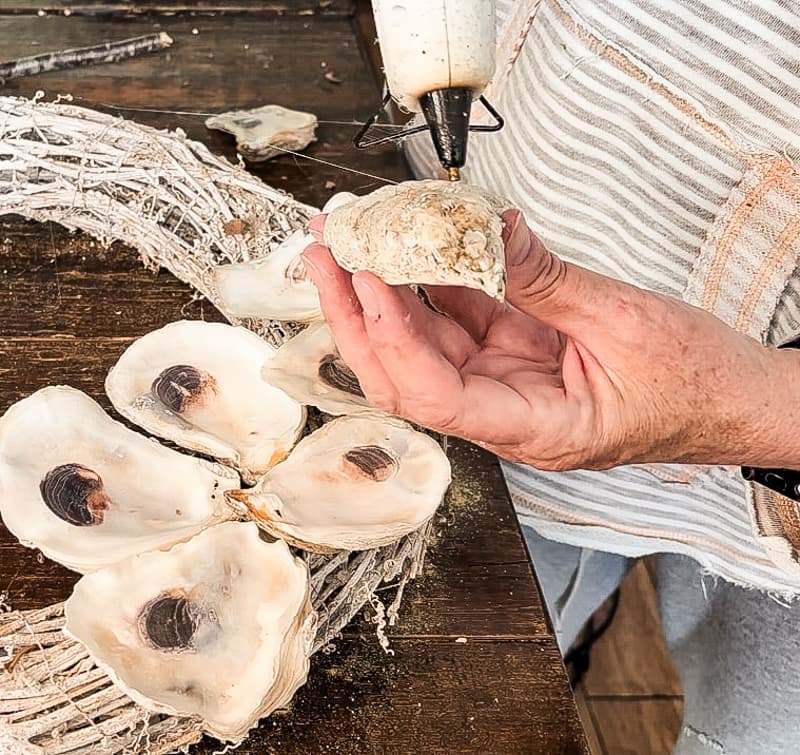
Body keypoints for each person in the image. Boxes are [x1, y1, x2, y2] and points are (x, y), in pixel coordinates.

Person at [303, 1, 800, 753]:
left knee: (745, 730)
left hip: (782, 470)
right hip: (516, 301)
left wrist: (761, 408)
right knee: (527, 617)